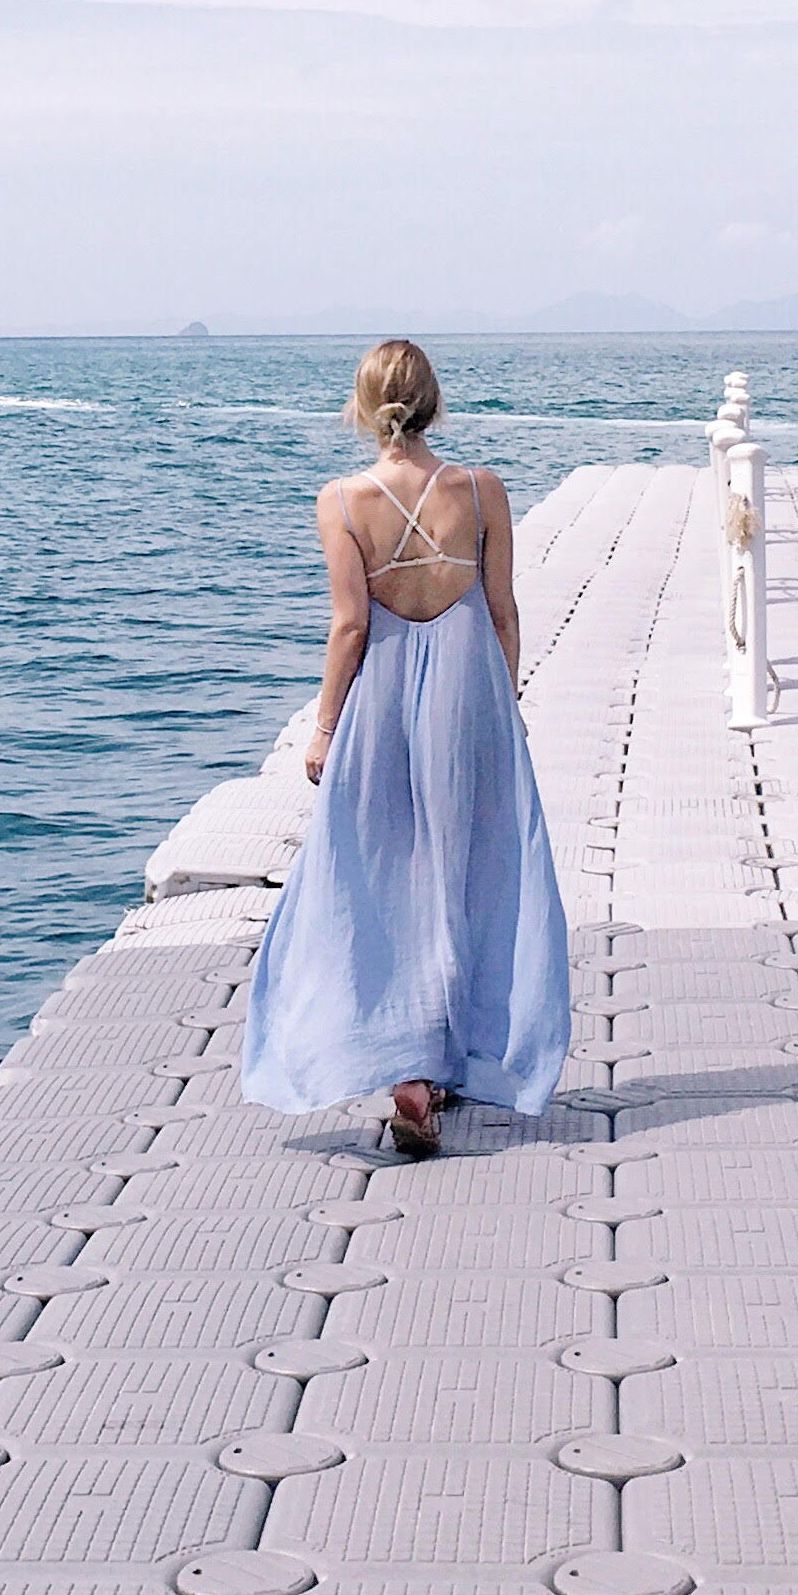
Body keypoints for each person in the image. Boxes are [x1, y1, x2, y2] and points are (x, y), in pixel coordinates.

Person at [240, 339, 570, 1157]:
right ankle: (458, 1056)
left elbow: (350, 625)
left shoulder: (342, 501)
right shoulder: (479, 487)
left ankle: (407, 1072)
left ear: (361, 406)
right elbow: (502, 610)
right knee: (475, 870)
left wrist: (323, 728)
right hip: (472, 695)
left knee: (373, 874)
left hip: (380, 702)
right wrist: (506, 702)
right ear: (434, 401)